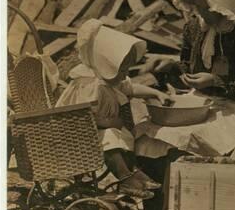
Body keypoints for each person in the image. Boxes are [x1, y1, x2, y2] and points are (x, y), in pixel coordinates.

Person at [56, 19, 172, 198]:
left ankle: (133, 171)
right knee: (112, 139)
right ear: (106, 66)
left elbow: (131, 88)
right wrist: (110, 121)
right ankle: (125, 179)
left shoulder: (113, 80)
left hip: (105, 129)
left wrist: (155, 94)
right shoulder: (89, 84)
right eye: (122, 69)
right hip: (80, 134)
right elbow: (83, 115)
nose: (126, 73)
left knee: (129, 134)